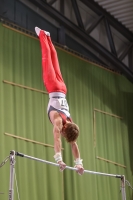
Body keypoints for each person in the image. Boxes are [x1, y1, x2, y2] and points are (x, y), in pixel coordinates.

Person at [35, 27, 84, 175]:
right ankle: (42, 34)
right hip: (52, 86)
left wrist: (79, 164)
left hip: (63, 89)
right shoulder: (58, 122)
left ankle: (49, 37)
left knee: (54, 59)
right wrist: (59, 160)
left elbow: (73, 143)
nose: (61, 135)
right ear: (63, 130)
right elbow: (57, 141)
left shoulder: (70, 122)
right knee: (47, 57)